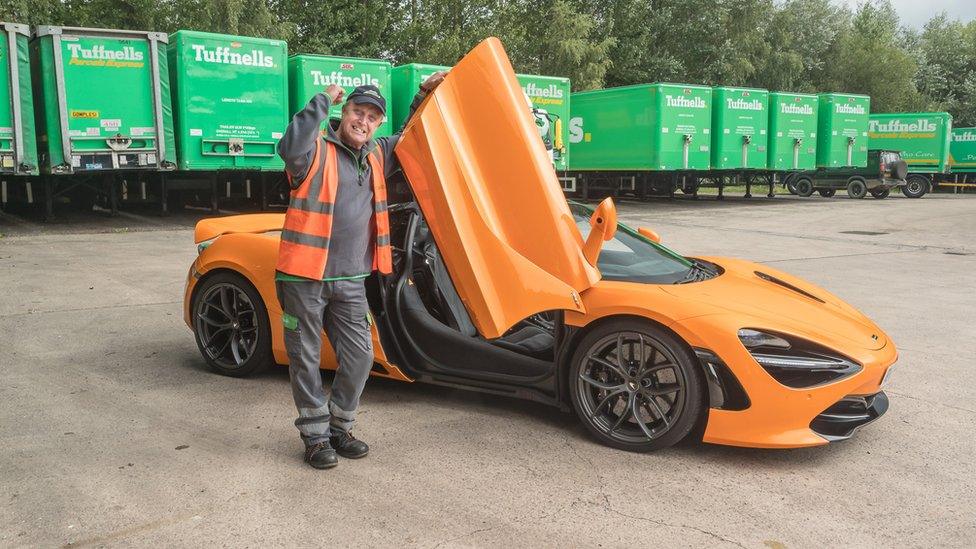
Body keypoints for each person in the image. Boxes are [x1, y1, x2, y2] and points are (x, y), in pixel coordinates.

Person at [276, 72, 447, 469]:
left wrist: (424, 92)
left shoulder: (377, 154)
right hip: (304, 277)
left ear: (378, 124)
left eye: (372, 117)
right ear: (344, 112)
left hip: (350, 279)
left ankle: (339, 426)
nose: (363, 121)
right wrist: (321, 101)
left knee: (361, 356)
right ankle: (315, 438)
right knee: (305, 358)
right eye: (357, 112)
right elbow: (288, 145)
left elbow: (411, 135)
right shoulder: (314, 151)